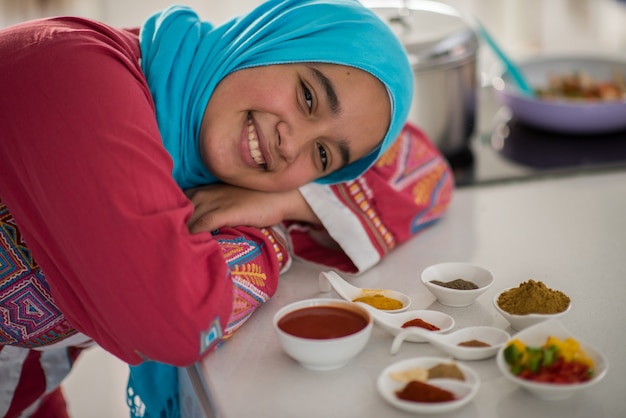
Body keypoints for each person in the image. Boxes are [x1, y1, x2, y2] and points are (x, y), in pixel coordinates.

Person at [0, 0, 454, 416]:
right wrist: (269, 239)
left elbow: (425, 173)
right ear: (265, 41)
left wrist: (284, 198)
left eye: (322, 157)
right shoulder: (75, 73)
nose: (291, 144)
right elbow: (176, 320)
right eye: (308, 97)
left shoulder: (198, 145)